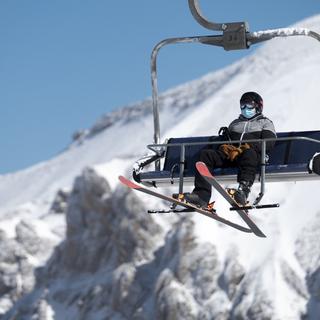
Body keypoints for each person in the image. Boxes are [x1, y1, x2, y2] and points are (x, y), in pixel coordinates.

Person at [184, 91, 277, 207]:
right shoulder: (235, 123)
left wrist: (248, 146)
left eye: (249, 106)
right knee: (206, 155)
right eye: (242, 105)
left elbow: (269, 142)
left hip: (251, 156)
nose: (245, 108)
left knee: (249, 154)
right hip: (232, 155)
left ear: (258, 107)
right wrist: (224, 145)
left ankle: (243, 191)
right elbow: (225, 142)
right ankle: (201, 195)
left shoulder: (265, 123)